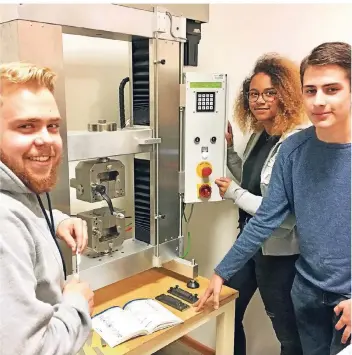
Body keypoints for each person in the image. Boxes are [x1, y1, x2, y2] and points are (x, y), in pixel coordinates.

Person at [195, 41, 351, 355]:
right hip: (306, 289)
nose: (318, 101)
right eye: (310, 90)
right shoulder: (295, 150)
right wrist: (220, 272)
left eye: (331, 89)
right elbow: (267, 217)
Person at [214, 54, 307, 355]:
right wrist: (228, 151)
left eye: (269, 93)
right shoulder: (259, 135)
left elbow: (282, 213)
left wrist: (234, 194)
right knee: (228, 309)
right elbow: (251, 180)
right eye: (253, 94)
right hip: (250, 241)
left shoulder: (294, 144)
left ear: (286, 96)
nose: (260, 100)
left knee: (288, 335)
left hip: (278, 254)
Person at [0, 62, 94, 355]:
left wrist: (57, 220)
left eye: (52, 126)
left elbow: (23, 209)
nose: (46, 140)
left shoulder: (19, 187)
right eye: (26, 126)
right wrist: (76, 303)